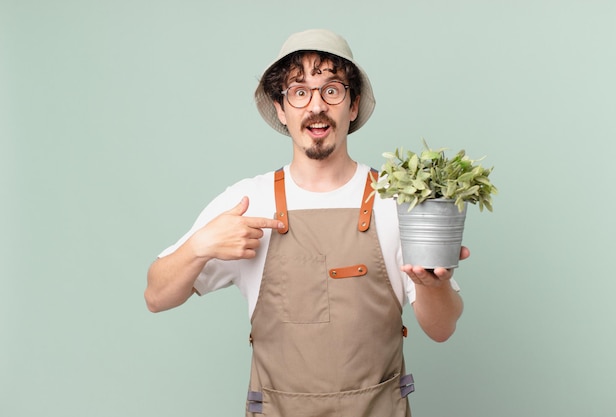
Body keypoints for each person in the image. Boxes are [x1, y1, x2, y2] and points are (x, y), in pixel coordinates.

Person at [145, 28, 467, 417]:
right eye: (299, 92)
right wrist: (200, 247)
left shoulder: (396, 200)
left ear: (352, 105)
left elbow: (441, 329)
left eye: (331, 90)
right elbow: (156, 297)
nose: (316, 106)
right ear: (281, 108)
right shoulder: (249, 201)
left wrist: (434, 283)